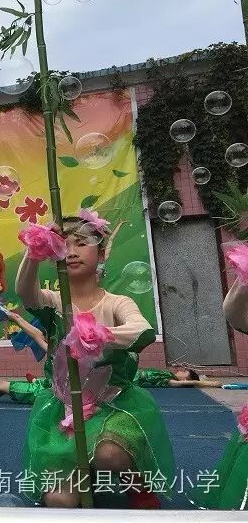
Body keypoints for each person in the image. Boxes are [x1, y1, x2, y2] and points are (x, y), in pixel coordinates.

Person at [16, 213, 175, 509]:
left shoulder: (117, 302)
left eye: (81, 243)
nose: (71, 251)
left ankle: (135, 481)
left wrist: (101, 335)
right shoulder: (53, 302)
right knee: (60, 502)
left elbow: (141, 330)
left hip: (112, 405)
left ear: (101, 254)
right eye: (63, 244)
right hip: (64, 408)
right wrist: (34, 251)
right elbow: (25, 292)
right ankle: (83, 472)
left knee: (109, 455)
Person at [134, 366, 222, 389]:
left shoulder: (170, 381)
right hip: (134, 372)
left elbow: (194, 382)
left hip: (134, 378)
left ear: (185, 380)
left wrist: (211, 384)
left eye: (184, 372)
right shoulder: (169, 374)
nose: (181, 371)